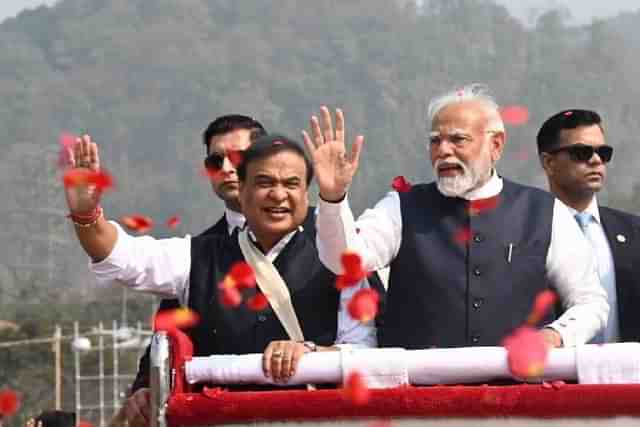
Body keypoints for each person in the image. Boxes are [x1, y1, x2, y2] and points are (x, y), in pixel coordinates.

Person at [63, 133, 380, 421]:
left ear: (306, 195)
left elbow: (363, 352)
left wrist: (309, 352)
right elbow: (120, 257)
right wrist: (86, 214)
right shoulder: (196, 256)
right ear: (241, 192)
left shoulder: (339, 260)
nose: (278, 194)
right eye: (265, 182)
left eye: (291, 184)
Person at [305, 83, 608, 350]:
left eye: (458, 140)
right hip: (422, 401)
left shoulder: (543, 211)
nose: (444, 151)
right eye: (436, 141)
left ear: (496, 145)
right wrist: (333, 198)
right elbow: (344, 262)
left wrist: (554, 336)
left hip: (517, 395)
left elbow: (590, 302)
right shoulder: (401, 206)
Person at [124, 115, 266, 425]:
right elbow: (170, 333)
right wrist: (144, 390)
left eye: (238, 157)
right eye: (217, 161)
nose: (227, 168)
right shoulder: (197, 253)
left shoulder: (320, 234)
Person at [537, 109, 640, 343]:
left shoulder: (633, 232)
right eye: (581, 152)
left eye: (603, 153)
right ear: (549, 162)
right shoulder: (526, 232)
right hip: (553, 374)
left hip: (627, 376)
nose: (595, 161)